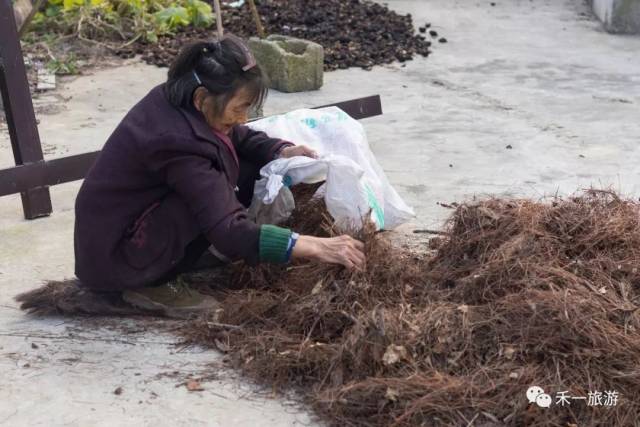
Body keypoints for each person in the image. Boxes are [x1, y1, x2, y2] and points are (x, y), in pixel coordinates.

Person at [74, 34, 366, 318]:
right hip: (116, 254)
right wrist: (316, 246)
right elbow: (230, 232)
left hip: (130, 222)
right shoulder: (176, 143)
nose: (242, 118)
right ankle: (150, 284)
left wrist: (282, 151)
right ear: (203, 98)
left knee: (247, 168)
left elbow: (237, 135)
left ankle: (177, 258)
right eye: (239, 108)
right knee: (208, 202)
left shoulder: (183, 100)